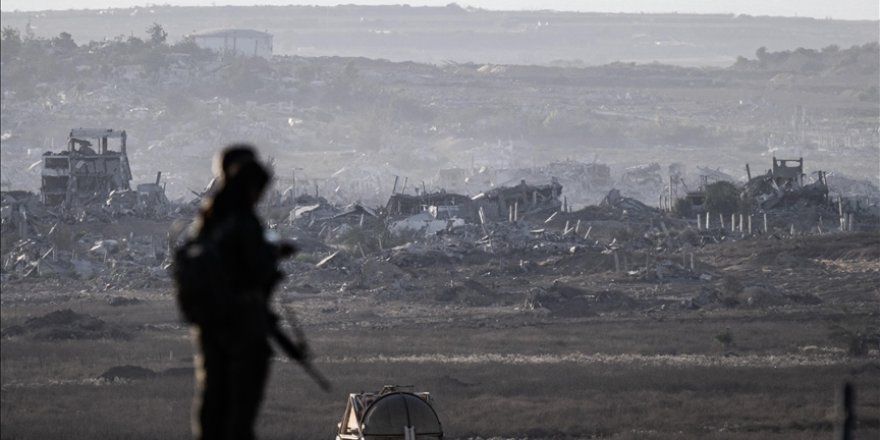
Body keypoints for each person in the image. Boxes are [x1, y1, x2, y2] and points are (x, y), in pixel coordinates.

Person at [185, 145, 298, 440]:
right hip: (242, 328)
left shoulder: (207, 219)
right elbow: (257, 274)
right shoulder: (242, 223)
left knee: (213, 406)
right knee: (238, 416)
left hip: (211, 329)